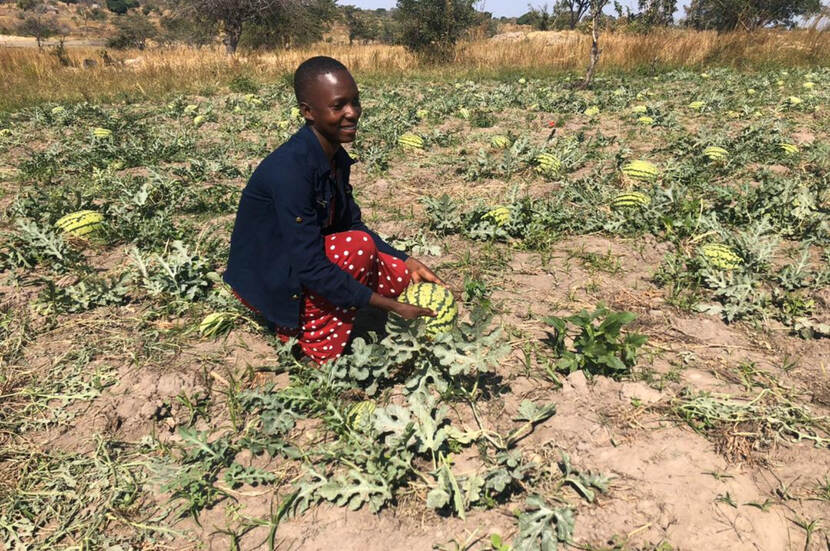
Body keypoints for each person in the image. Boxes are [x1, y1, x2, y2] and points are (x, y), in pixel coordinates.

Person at [224, 56, 445, 364]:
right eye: (338, 105)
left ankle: (342, 303)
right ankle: (309, 346)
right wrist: (389, 307)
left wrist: (406, 259)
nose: (352, 113)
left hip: (305, 258)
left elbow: (352, 224)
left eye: (355, 101)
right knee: (356, 250)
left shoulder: (335, 159)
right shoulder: (290, 171)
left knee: (398, 276)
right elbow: (311, 266)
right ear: (308, 112)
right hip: (274, 278)